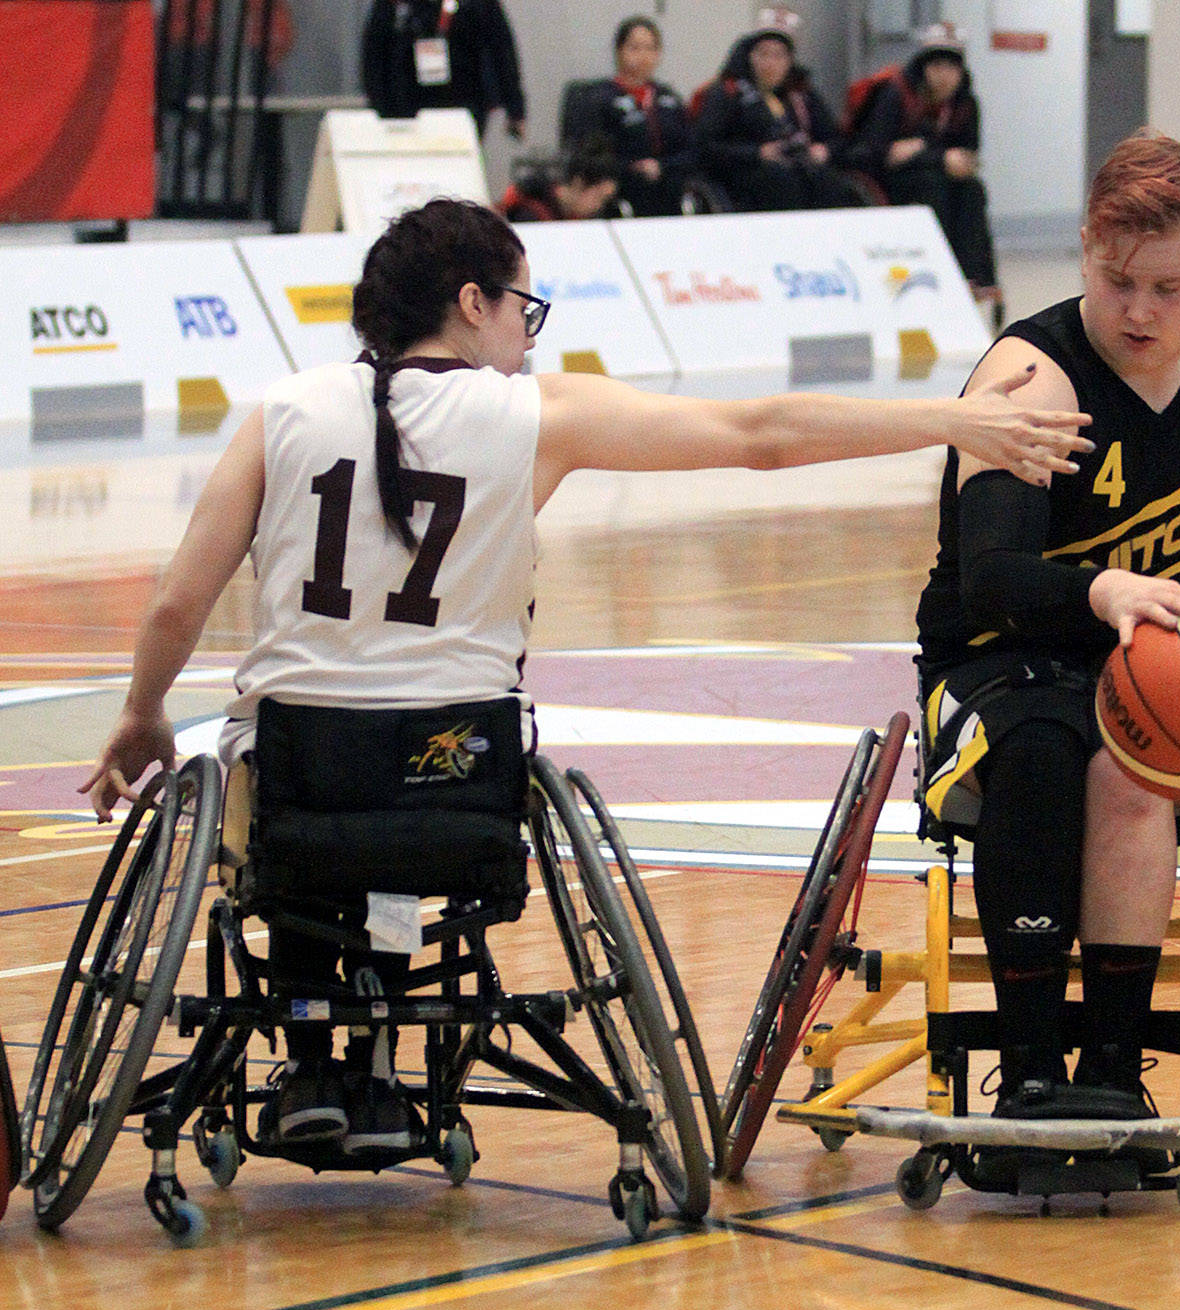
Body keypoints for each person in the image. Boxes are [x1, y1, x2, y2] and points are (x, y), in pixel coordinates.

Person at [82, 198, 1091, 1157]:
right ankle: (383, 1059)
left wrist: (139, 713)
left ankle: (309, 1058)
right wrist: (951, 421)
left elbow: (177, 604)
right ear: (473, 302)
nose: (532, 335)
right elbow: (761, 437)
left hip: (300, 761)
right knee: (410, 795)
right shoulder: (535, 415)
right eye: (526, 308)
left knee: (287, 805)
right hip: (456, 764)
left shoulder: (282, 410)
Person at [914, 131, 1180, 1140]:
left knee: (1136, 774)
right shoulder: (1030, 377)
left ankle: (1111, 1066)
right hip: (1001, 648)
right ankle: (1032, 1062)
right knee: (1046, 755)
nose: (1139, 311)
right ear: (1086, 253)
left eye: (1169, 288)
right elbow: (996, 575)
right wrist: (1106, 592)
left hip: (1155, 664)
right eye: (1116, 280)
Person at [844, 23, 996, 291]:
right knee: (930, 185)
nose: (944, 76)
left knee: (972, 190)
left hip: (938, 172)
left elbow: (968, 150)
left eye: (951, 69)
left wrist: (935, 155)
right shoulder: (896, 94)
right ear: (923, 68)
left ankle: (975, 274)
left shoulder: (966, 104)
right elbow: (876, 151)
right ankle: (938, 268)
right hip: (892, 178)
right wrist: (938, 158)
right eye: (936, 67)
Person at [693, 7, 858, 212]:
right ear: (750, 56)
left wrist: (823, 150)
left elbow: (836, 138)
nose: (770, 63)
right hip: (747, 175)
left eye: (778, 56)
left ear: (789, 61)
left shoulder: (801, 93)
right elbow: (705, 146)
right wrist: (757, 153)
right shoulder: (728, 92)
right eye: (763, 54)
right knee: (780, 181)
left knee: (830, 182)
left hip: (800, 169)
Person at [570, 17, 692, 218]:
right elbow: (589, 152)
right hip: (623, 188)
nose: (643, 56)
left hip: (669, 186)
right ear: (619, 51)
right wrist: (631, 167)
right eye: (635, 48)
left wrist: (663, 166)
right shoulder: (601, 98)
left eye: (650, 48)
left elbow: (690, 148)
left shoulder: (669, 98)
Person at [361, 0, 526, 143]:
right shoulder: (398, 5)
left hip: (465, 100)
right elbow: (374, 53)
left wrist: (515, 108)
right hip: (407, 102)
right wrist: (379, 107)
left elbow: (501, 49)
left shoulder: (478, 5)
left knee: (459, 158)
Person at [498, 144, 619, 222]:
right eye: (599, 197)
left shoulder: (582, 221)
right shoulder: (529, 212)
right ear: (579, 184)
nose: (598, 206)